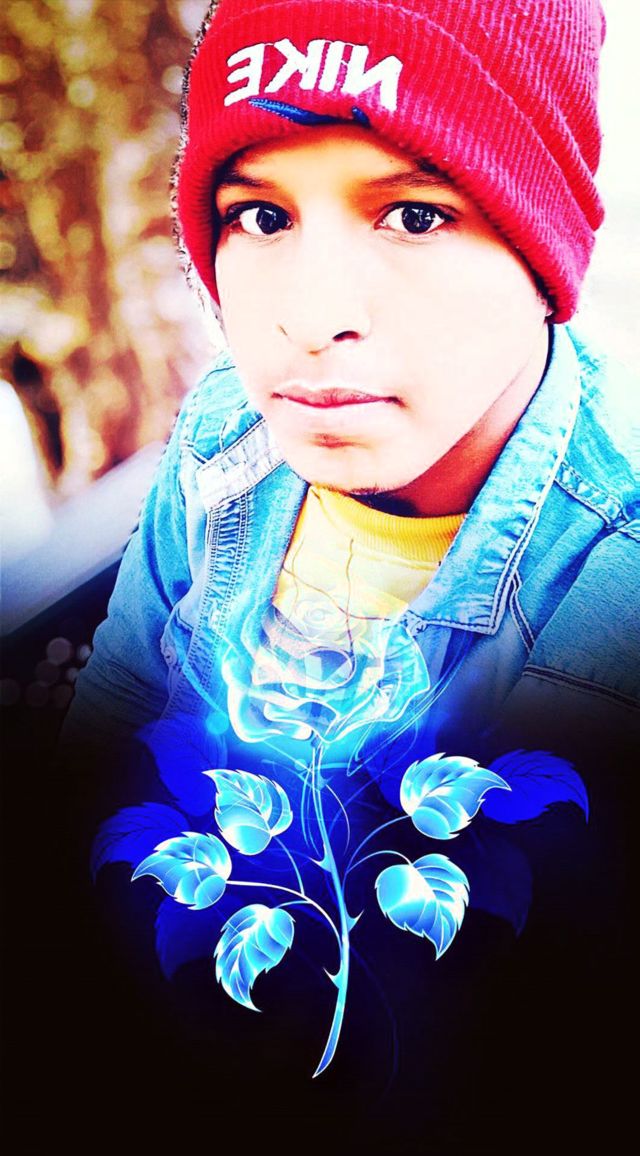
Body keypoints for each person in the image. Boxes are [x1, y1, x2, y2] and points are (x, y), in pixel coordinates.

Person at [57, 2, 637, 1151]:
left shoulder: (611, 573)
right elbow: (110, 731)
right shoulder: (226, 439)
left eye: (414, 213)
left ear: (541, 253)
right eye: (261, 214)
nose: (310, 319)